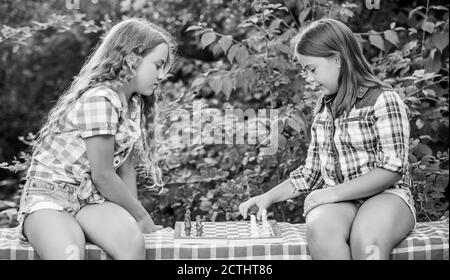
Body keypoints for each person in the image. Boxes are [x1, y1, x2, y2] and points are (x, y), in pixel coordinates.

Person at [239, 18, 416, 260]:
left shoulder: (384, 100)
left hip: (387, 197)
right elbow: (310, 173)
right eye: (304, 71)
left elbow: (392, 170)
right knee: (319, 229)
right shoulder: (323, 109)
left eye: (311, 69)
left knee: (366, 240)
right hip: (342, 203)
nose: (308, 78)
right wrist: (267, 197)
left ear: (337, 59)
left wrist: (330, 194)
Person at [17, 18, 176, 260]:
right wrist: (142, 216)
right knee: (68, 253)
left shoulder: (132, 105)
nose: (162, 75)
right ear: (132, 59)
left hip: (91, 201)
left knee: (132, 244)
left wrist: (135, 218)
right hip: (50, 196)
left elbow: (125, 170)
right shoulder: (100, 99)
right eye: (158, 65)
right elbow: (102, 175)